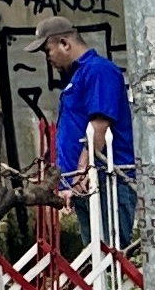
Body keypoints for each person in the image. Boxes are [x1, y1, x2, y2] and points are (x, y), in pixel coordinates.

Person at [41, 17, 134, 252]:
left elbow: (99, 126)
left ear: (64, 43)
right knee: (97, 255)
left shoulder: (99, 71)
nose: (48, 58)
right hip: (85, 182)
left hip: (104, 179)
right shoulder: (79, 76)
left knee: (111, 253)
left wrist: (84, 171)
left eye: (48, 50)